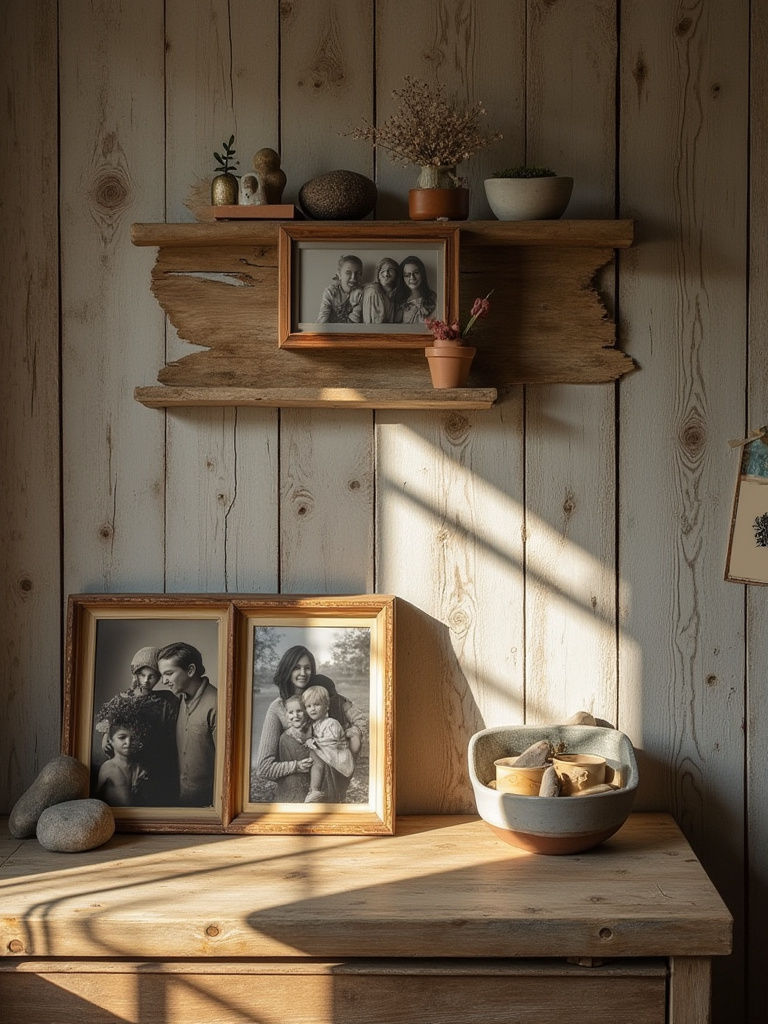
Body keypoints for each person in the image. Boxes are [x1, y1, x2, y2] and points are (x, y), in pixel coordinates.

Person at [254, 645, 366, 803]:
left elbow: (360, 722)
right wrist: (297, 766)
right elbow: (264, 767)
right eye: (296, 668)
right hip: (296, 797)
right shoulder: (277, 707)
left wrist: (352, 735)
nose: (303, 673)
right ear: (287, 670)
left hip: (332, 793)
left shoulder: (326, 698)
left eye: (307, 668)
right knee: (287, 739)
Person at [94, 647, 180, 806]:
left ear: (159, 677)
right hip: (130, 756)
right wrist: (106, 735)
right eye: (142, 675)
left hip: (155, 759)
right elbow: (108, 717)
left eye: (152, 676)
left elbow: (171, 734)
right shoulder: (123, 698)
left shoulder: (166, 701)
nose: (146, 680)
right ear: (135, 674)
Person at [157, 642, 217, 807]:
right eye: (162, 675)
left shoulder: (217, 704)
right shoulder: (179, 700)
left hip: (208, 806)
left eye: (169, 673)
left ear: (190, 670)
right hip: (183, 798)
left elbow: (228, 766)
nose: (164, 681)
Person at [302, 684, 355, 803]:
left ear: (326, 706)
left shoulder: (331, 723)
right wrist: (310, 741)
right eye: (308, 706)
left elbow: (332, 742)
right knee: (311, 755)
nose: (312, 709)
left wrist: (314, 743)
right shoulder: (315, 724)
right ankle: (313, 788)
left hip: (338, 755)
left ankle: (314, 789)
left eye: (316, 705)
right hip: (328, 753)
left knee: (314, 755)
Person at [95, 701, 148, 806]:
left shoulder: (140, 769)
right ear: (111, 740)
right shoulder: (109, 768)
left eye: (133, 738)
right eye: (122, 737)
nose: (128, 742)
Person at [316, 255, 363, 323]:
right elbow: (322, 319)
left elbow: (355, 320)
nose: (353, 277)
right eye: (348, 273)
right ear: (339, 275)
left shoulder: (361, 293)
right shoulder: (331, 292)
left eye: (358, 273)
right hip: (330, 328)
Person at [361, 257, 403, 324]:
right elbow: (374, 323)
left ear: (396, 274)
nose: (386, 274)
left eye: (390, 270)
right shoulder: (373, 292)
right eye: (382, 270)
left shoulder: (396, 294)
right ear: (378, 274)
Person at [397, 255, 437, 323]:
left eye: (416, 273)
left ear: (422, 274)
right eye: (407, 275)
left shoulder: (434, 299)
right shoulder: (399, 301)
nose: (412, 278)